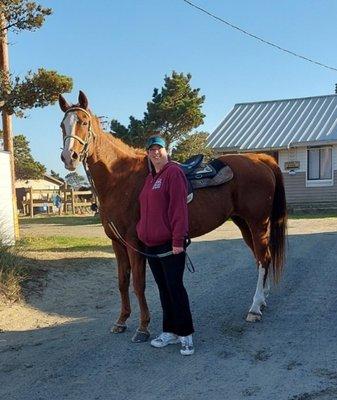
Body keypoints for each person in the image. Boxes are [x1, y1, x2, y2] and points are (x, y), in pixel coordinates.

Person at [136, 135, 195, 356]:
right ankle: (170, 331)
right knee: (163, 290)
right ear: (148, 155)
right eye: (151, 150)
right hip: (151, 246)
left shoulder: (173, 173)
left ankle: (186, 334)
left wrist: (178, 241)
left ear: (166, 151)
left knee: (175, 288)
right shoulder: (150, 178)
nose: (155, 153)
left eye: (159, 148)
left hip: (171, 246)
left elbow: (179, 210)